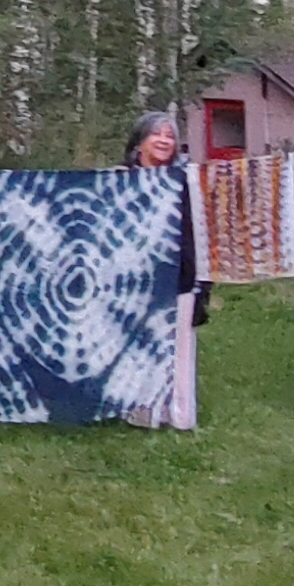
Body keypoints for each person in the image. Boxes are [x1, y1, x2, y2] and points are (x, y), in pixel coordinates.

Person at [121, 112, 205, 431]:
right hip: (132, 275)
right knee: (137, 342)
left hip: (179, 271)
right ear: (139, 141)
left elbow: (196, 229)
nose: (164, 141)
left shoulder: (184, 181)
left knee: (180, 346)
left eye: (170, 136)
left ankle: (179, 415)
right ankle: (141, 410)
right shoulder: (120, 181)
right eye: (157, 134)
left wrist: (202, 279)